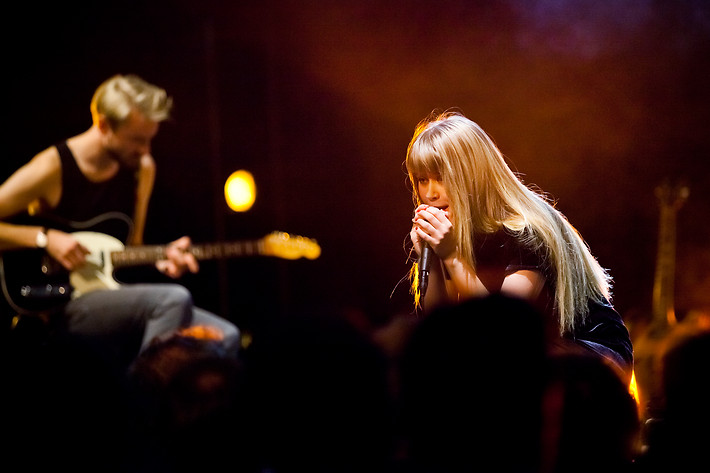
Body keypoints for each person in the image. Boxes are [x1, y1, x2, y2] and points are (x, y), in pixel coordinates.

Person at [0, 74, 240, 370]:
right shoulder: (53, 167)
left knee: (226, 337)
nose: (145, 150)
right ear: (103, 125)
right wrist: (44, 238)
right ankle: (142, 401)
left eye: (150, 139)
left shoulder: (142, 169)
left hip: (112, 295)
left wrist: (161, 258)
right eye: (137, 140)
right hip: (59, 302)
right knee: (172, 300)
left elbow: (130, 247)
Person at [404, 110, 633, 382]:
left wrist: (452, 256)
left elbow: (505, 326)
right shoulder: (457, 234)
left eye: (440, 177)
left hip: (593, 357)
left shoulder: (526, 227)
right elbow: (441, 326)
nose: (430, 193)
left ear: (473, 174)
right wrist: (429, 258)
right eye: (422, 180)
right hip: (535, 353)